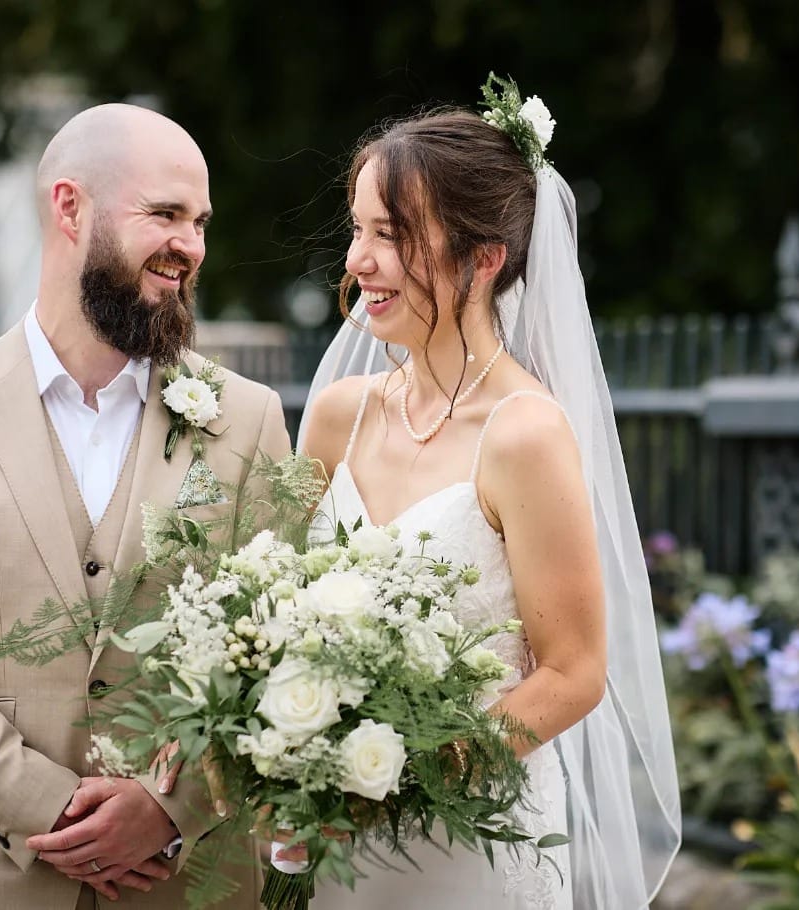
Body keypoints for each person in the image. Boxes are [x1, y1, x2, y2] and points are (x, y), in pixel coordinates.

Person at [0, 103, 289, 909]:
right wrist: (48, 806)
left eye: (198, 221)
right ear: (69, 208)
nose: (189, 245)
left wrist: (169, 807)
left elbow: (283, 648)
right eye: (164, 213)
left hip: (189, 880)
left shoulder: (248, 416)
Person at [298, 82, 680, 909]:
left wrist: (399, 782)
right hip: (331, 850)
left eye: (392, 236)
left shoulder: (525, 434)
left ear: (484, 258)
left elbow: (573, 672)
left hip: (468, 845)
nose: (359, 261)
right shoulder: (334, 418)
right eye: (358, 231)